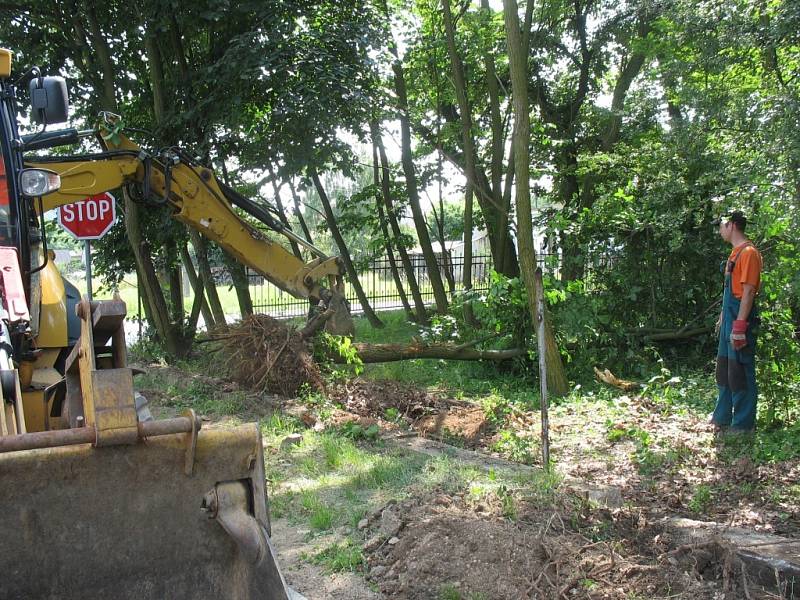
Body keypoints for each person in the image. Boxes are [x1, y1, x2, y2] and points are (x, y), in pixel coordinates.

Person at [710, 211, 762, 433]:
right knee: (725, 368)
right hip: (729, 319)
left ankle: (743, 424)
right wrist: (723, 317)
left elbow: (748, 292)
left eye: (721, 225)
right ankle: (722, 416)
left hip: (741, 321)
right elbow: (732, 291)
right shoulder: (735, 253)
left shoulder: (749, 253)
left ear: (731, 225)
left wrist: (740, 326)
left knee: (740, 371)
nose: (719, 230)